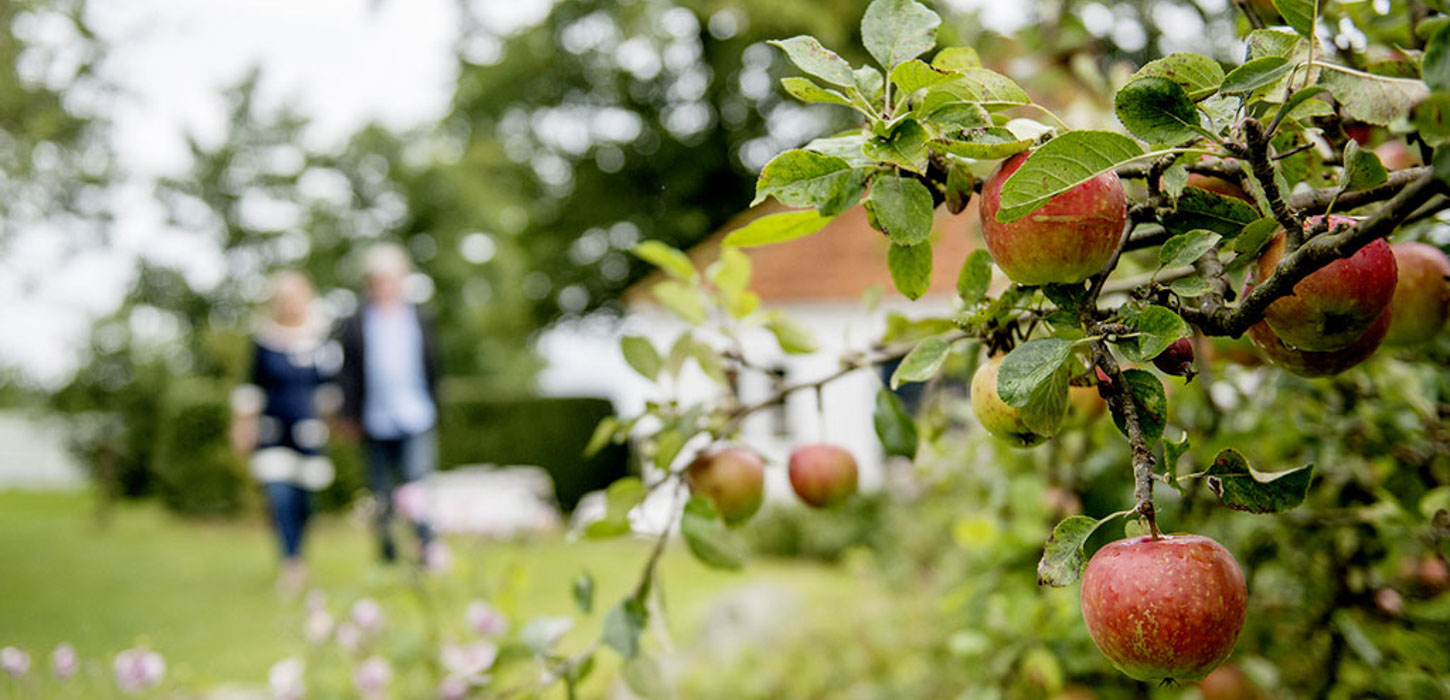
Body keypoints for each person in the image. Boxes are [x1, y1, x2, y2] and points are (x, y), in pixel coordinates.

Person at [230, 270, 338, 593]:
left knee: (305, 501)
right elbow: (252, 386)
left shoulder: (323, 339)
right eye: (285, 299)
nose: (291, 305)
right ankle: (289, 562)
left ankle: (300, 556)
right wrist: (241, 425)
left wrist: (336, 421)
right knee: (279, 496)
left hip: (310, 433)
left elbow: (330, 388)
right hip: (274, 431)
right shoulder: (265, 340)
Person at [336, 243, 442, 564]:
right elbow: (349, 373)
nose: (385, 286)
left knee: (418, 485)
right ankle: (388, 554)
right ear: (369, 282)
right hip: (375, 418)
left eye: (391, 279)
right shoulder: (355, 321)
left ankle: (426, 550)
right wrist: (349, 415)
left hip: (416, 413)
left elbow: (434, 365)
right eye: (378, 280)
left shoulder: (420, 317)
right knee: (381, 492)